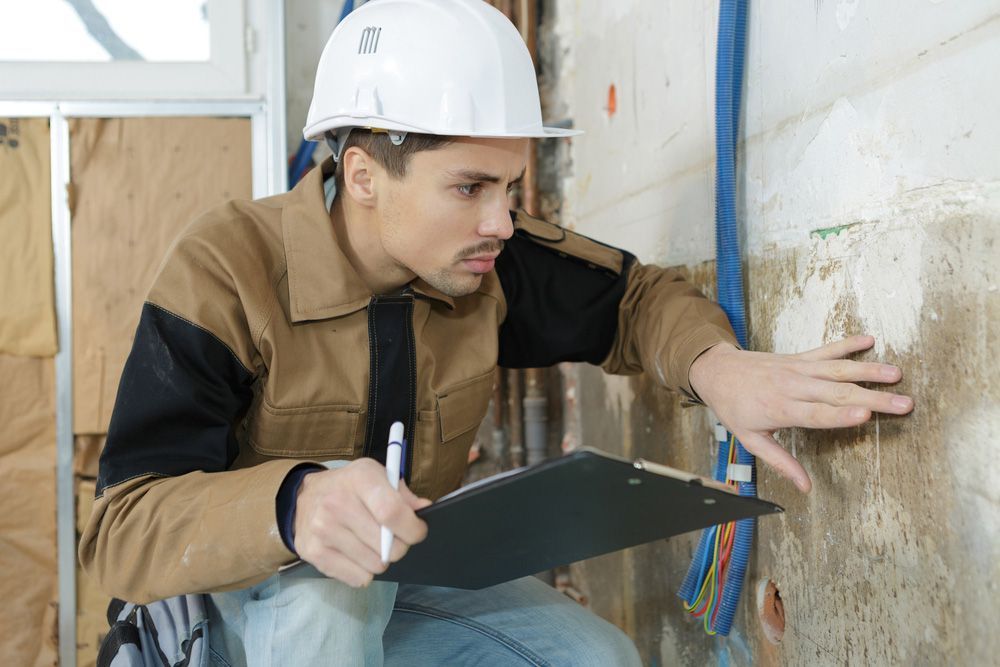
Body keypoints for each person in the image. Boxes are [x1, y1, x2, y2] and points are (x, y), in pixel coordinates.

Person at [80, 1, 914, 665]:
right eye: (471, 186)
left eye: (511, 184)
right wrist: (296, 502)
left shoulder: (483, 258)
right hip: (239, 600)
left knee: (592, 656)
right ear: (364, 173)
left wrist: (717, 366)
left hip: (401, 581)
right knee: (324, 598)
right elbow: (121, 530)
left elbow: (634, 299)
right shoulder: (228, 269)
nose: (502, 220)